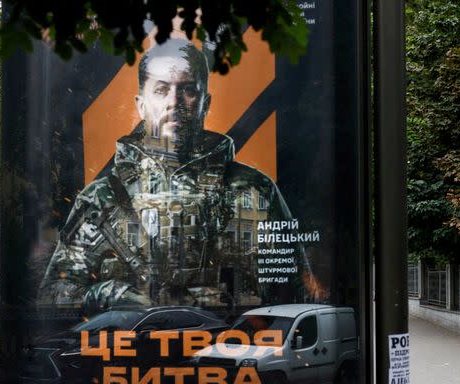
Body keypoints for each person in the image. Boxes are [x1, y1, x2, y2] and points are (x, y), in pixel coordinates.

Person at [39, 38, 313, 314]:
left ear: (205, 102)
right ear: (141, 105)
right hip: (131, 352)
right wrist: (113, 294)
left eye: (187, 90)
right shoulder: (101, 199)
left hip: (233, 351)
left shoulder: (255, 191)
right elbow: (53, 296)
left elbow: (298, 295)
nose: (174, 102)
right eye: (160, 90)